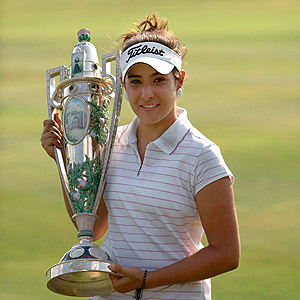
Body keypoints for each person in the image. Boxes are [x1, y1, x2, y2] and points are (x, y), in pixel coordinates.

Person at [41, 13, 240, 300]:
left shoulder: (202, 156)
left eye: (158, 80)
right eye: (135, 81)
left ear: (179, 80)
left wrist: (146, 280)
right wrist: (66, 161)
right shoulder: (111, 143)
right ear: (123, 84)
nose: (146, 94)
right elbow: (93, 227)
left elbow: (226, 254)